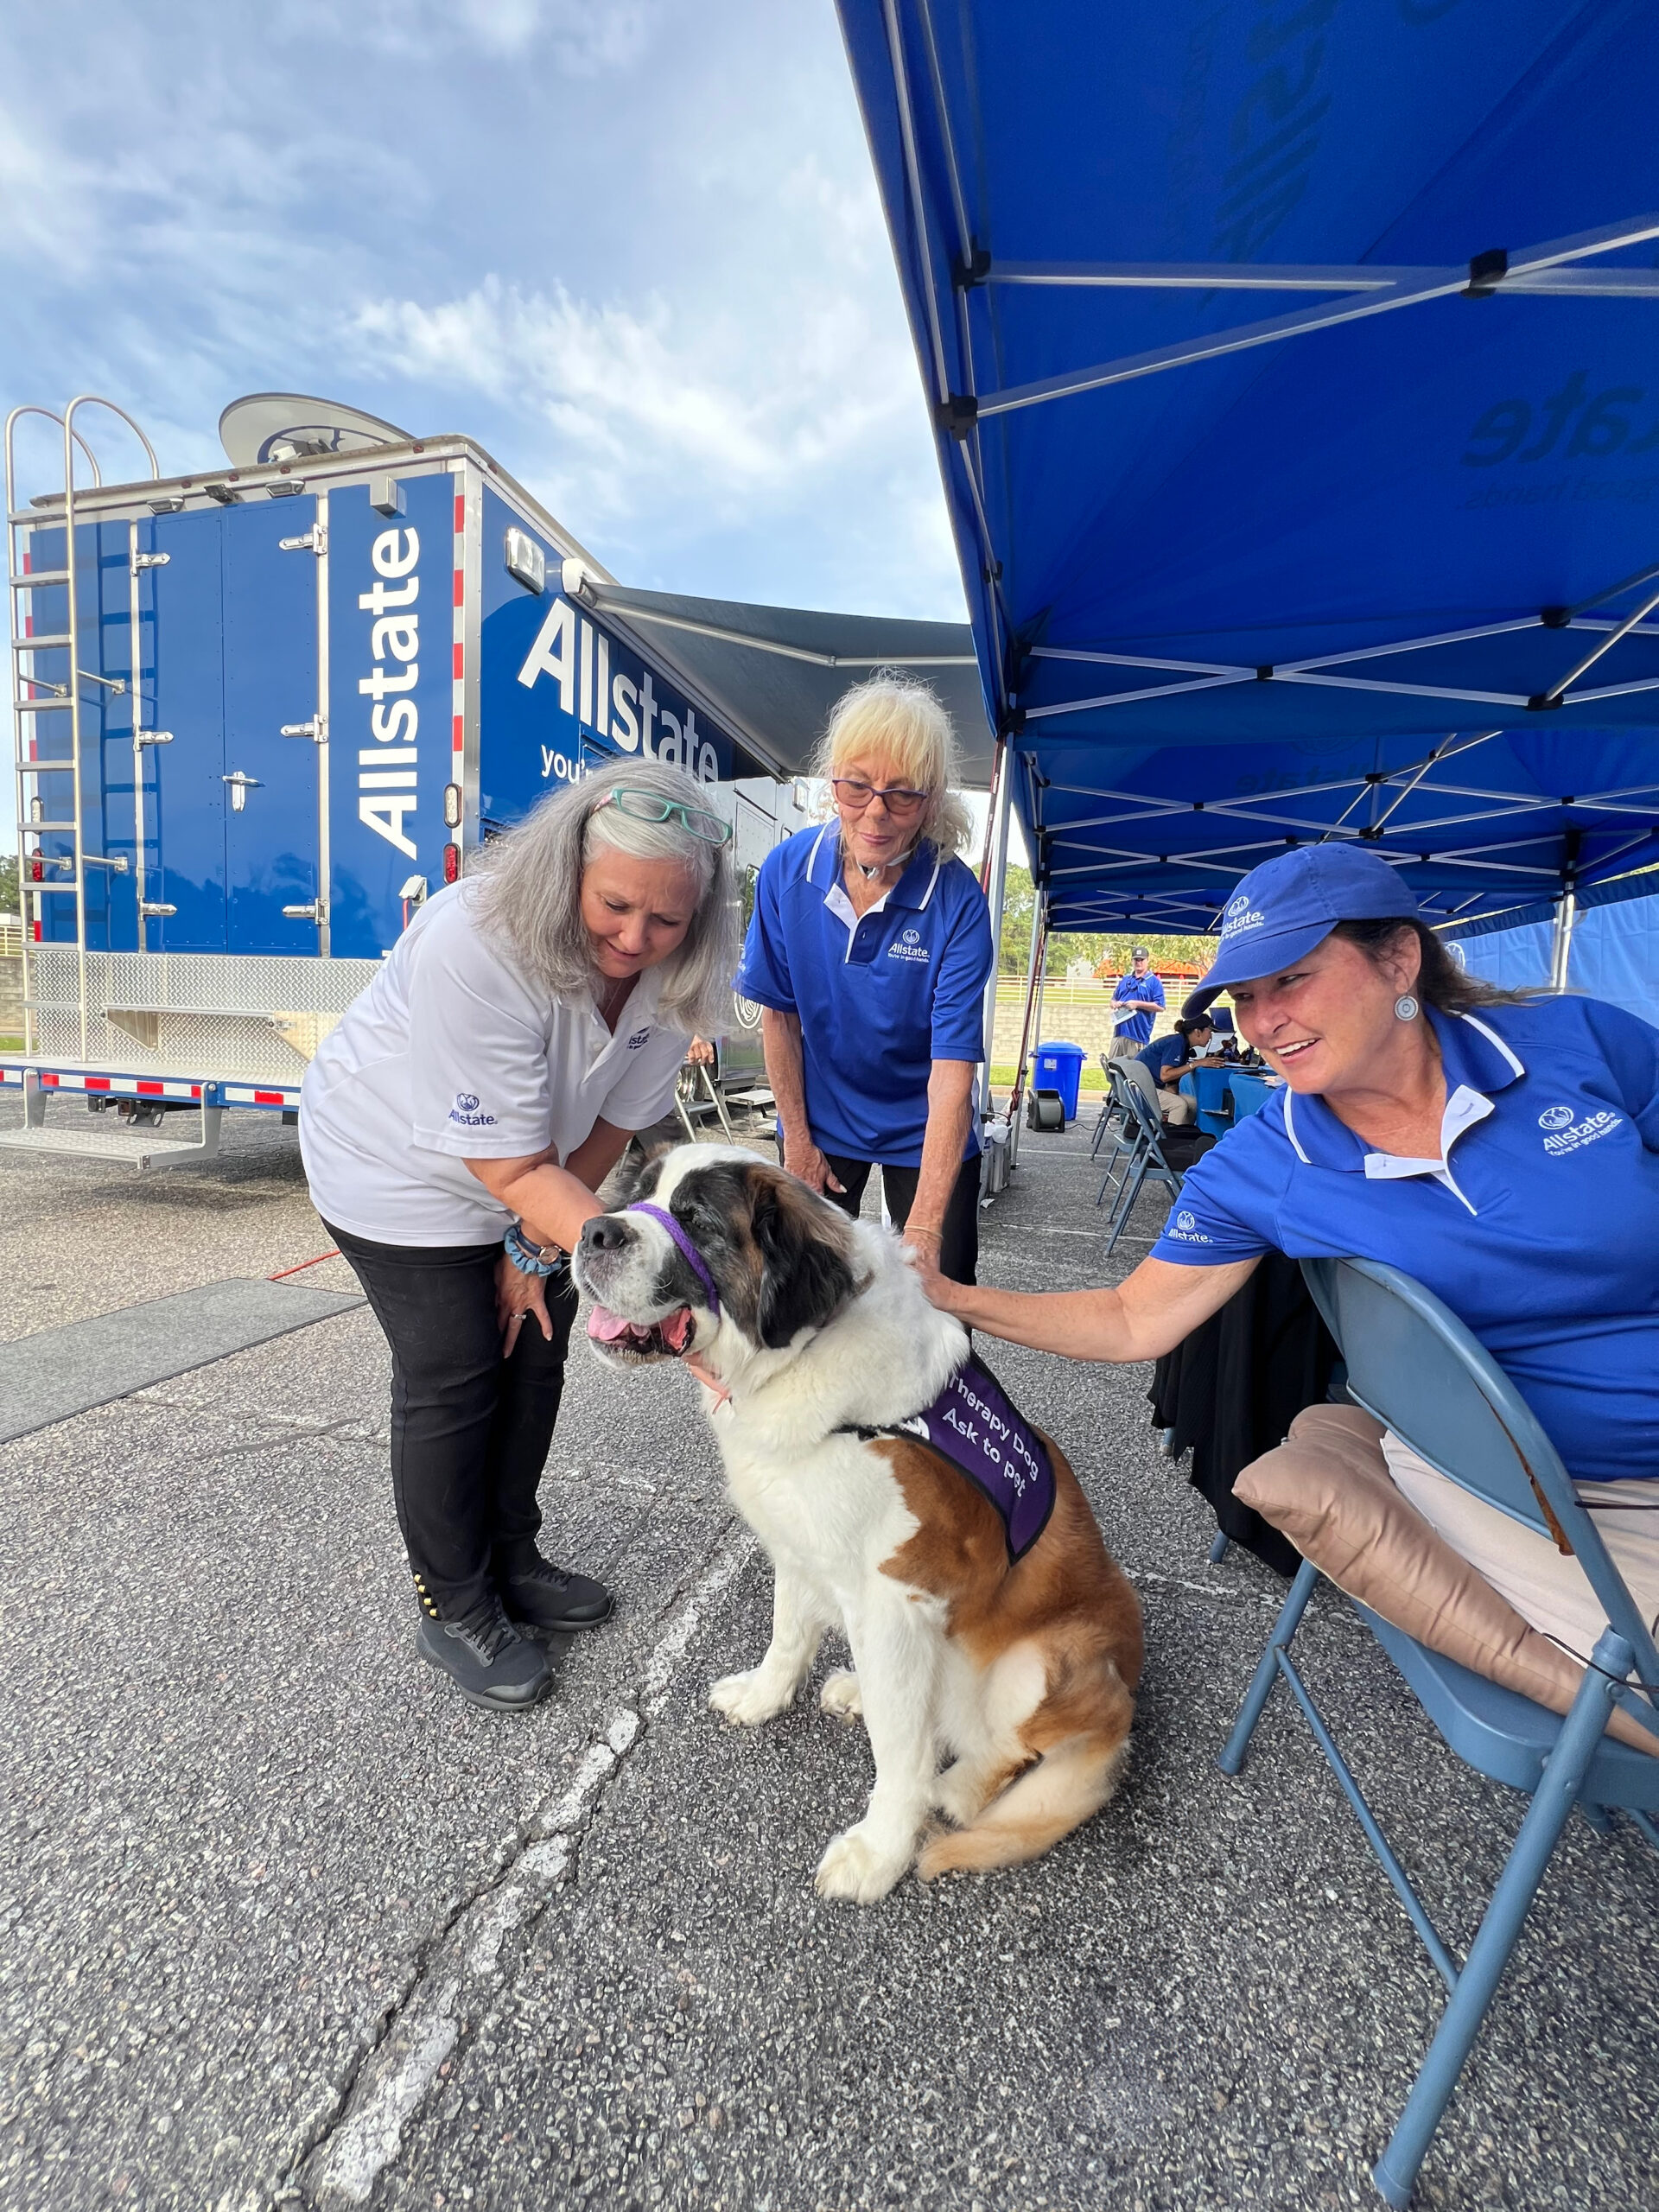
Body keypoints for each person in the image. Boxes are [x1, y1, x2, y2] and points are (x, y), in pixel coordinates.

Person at [918, 843, 1659, 1657]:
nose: (1263, 1022)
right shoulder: (1264, 1164)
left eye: (1292, 979)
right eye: (1243, 995)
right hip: (1540, 1492)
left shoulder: (1579, 1044)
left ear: (1400, 960)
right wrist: (949, 1296)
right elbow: (1133, 1320)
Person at [300, 763, 739, 1713]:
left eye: (667, 921)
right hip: (393, 1167)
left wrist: (537, 1253)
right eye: (616, 906)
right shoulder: (478, 936)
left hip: (536, 1169)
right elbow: (507, 1173)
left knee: (537, 1347)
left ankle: (513, 1555)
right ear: (571, 867)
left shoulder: (676, 971)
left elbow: (610, 1130)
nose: (635, 940)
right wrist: (665, 1289)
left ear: (699, 914)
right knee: (456, 1365)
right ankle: (453, 1603)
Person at [736, 671, 994, 1284]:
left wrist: (927, 1230)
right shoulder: (786, 871)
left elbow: (953, 1069)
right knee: (804, 1291)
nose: (875, 814)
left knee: (940, 1300)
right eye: (857, 787)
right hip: (823, 1119)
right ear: (833, 781)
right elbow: (780, 1016)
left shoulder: (957, 900)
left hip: (925, 1125)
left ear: (932, 800)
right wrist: (797, 1143)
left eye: (902, 795)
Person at [1135, 1014, 1214, 1124]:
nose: (1211, 1037)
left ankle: (1183, 1136)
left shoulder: (1183, 1044)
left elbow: (1172, 1080)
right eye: (1210, 1032)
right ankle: (1169, 1140)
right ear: (1197, 1032)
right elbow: (1165, 1075)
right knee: (1179, 1105)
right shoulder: (1177, 1042)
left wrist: (1172, 1090)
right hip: (1139, 1090)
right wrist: (1195, 1064)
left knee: (1192, 1103)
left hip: (1147, 1087)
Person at [1109, 945, 1166, 1058]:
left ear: (1147, 960)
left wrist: (1137, 1004)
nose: (1139, 962)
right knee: (1112, 1067)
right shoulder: (1125, 980)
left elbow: (1160, 1006)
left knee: (1133, 1071)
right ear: (1132, 961)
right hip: (1119, 1033)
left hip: (1138, 1036)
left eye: (1141, 960)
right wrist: (1115, 1004)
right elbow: (1113, 999)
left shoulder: (1154, 982)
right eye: (1136, 959)